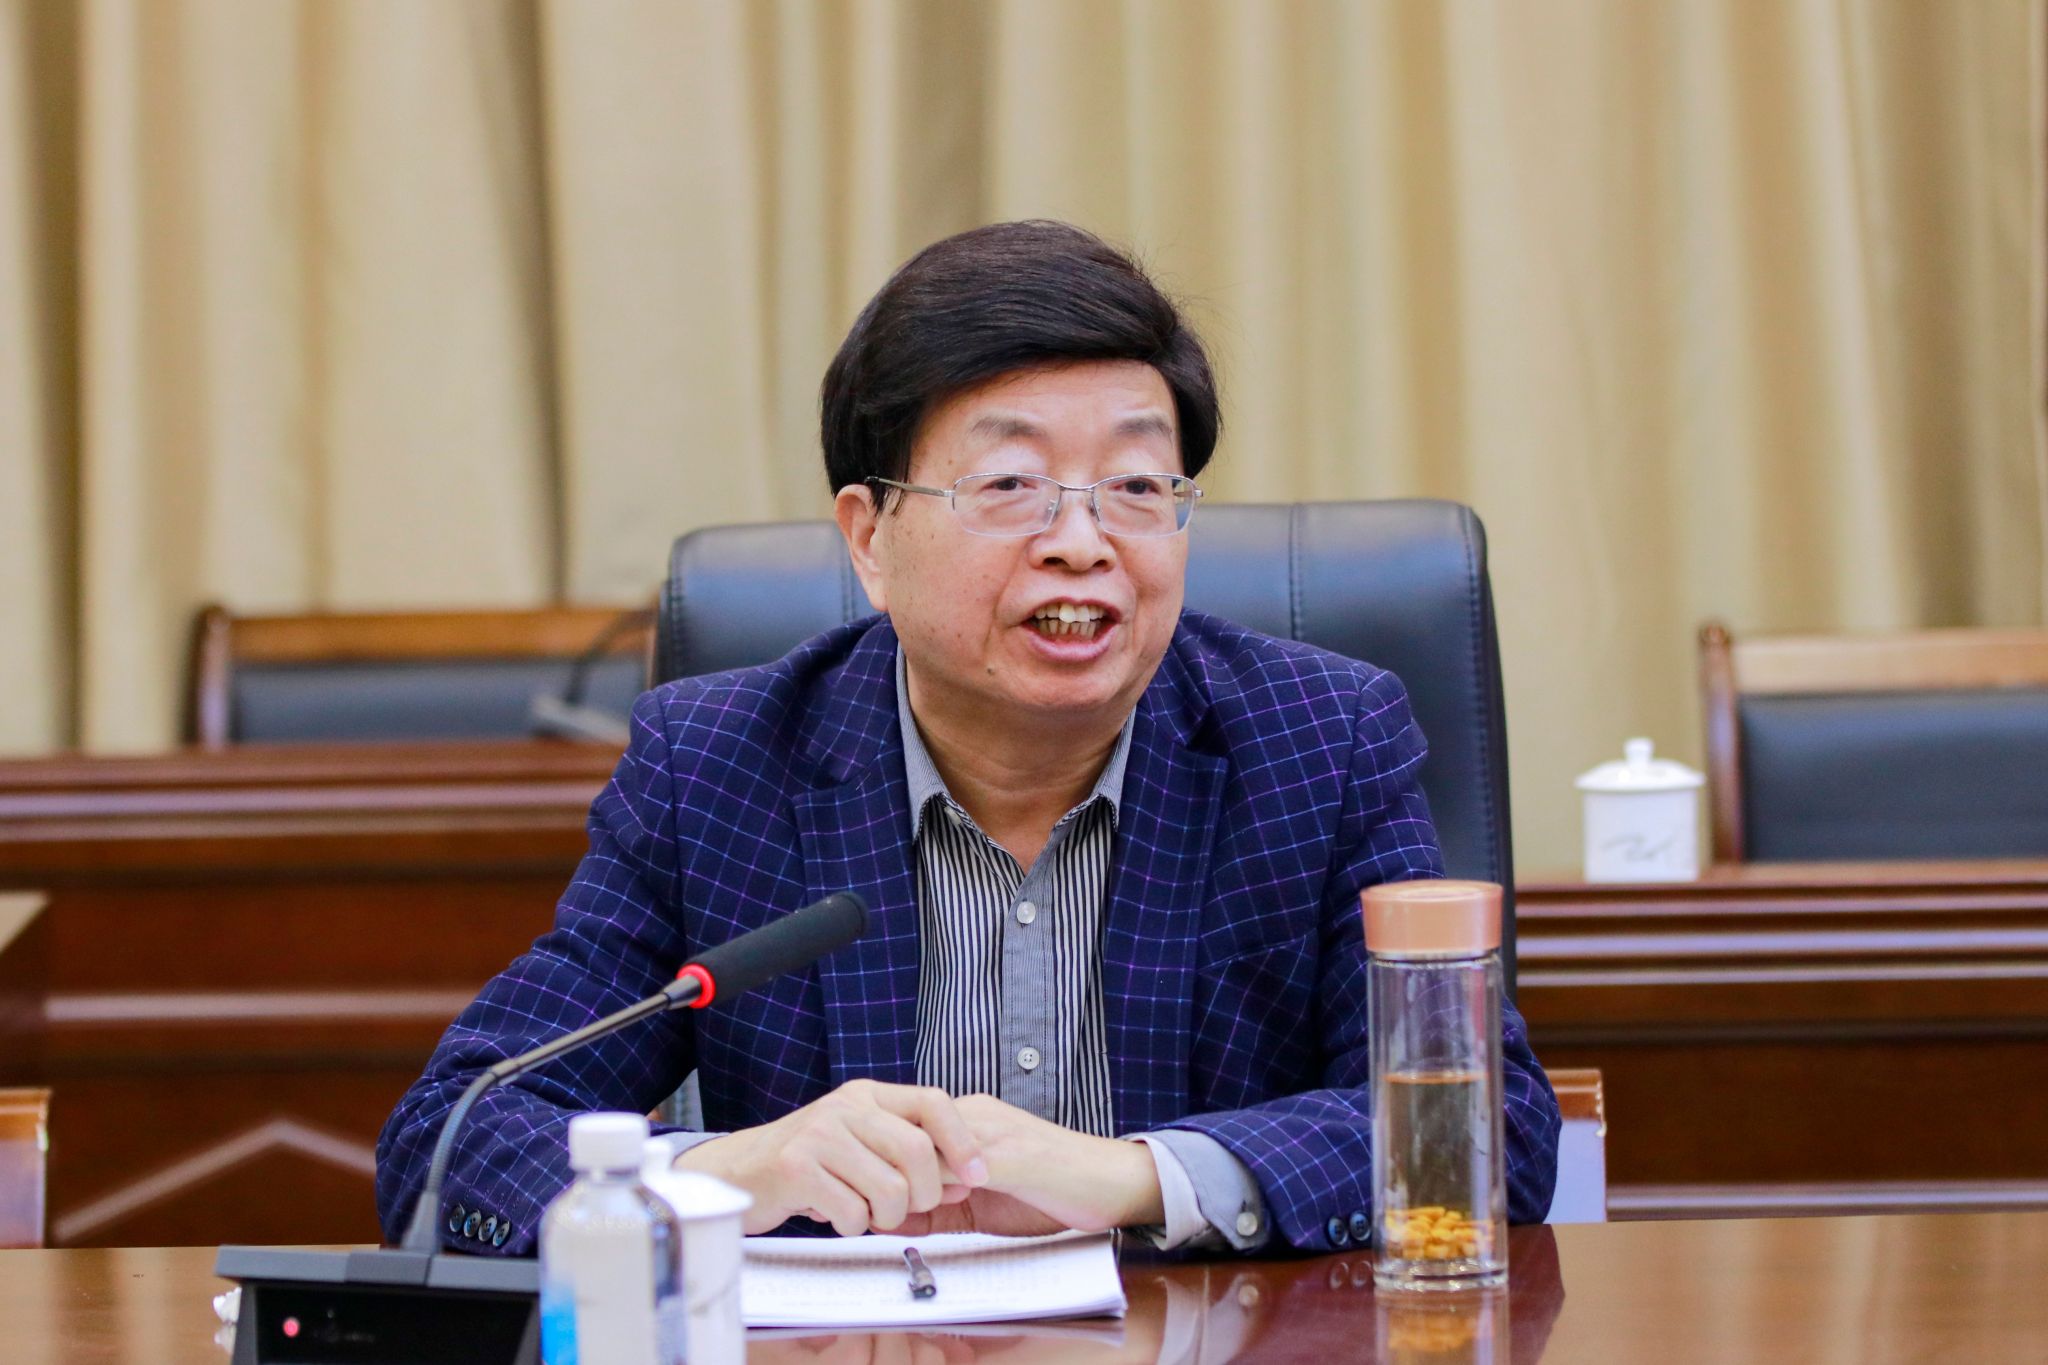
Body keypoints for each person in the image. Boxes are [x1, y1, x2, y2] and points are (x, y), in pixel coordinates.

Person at [375, 220, 1560, 1256]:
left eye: (1136, 487)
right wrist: (730, 1173)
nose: (1081, 543)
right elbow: (448, 1142)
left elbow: (1481, 1129)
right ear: (869, 538)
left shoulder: (1318, 744)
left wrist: (1134, 1179)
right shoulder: (718, 770)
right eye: (1009, 486)